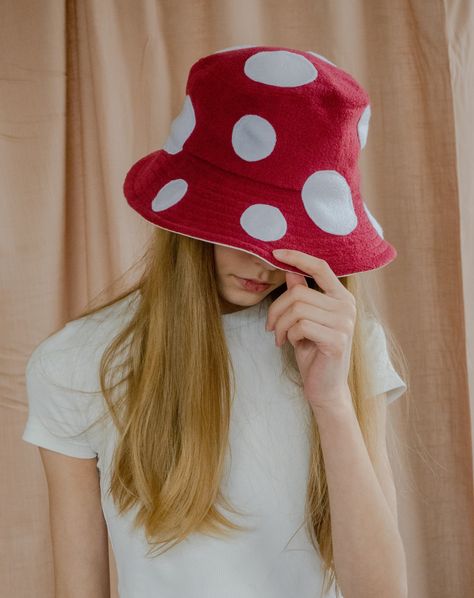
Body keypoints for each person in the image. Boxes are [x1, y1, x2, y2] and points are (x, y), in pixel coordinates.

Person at [22, 45, 409, 598]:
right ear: (190, 220)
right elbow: (79, 587)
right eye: (239, 232)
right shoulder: (80, 362)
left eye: (289, 241)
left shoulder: (343, 343)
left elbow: (382, 590)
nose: (262, 263)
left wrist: (332, 401)